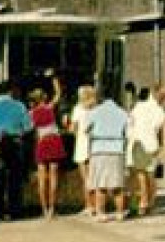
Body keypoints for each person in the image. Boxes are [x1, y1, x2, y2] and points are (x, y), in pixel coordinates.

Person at [0, 80, 32, 221]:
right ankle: (14, 210)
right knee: (15, 178)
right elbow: (28, 127)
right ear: (11, 91)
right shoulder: (19, 106)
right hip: (14, 142)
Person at [85, 85, 131, 221]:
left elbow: (86, 129)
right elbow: (128, 131)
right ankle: (120, 213)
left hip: (99, 149)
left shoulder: (95, 112)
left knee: (101, 184)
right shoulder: (122, 112)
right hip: (117, 150)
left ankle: (101, 214)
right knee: (117, 184)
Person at [128, 85, 165, 217]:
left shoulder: (138, 107)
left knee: (141, 175)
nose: (164, 98)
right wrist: (164, 148)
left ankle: (143, 203)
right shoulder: (159, 111)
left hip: (139, 143)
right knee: (150, 176)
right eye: (164, 95)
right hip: (150, 144)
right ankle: (148, 203)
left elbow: (130, 125)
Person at [30, 87, 67, 219]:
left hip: (42, 142)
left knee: (42, 177)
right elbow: (58, 93)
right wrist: (55, 81)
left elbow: (31, 129)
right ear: (44, 97)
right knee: (54, 177)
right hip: (54, 140)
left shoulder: (32, 113)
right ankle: (52, 208)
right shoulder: (49, 108)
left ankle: (44, 209)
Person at [68, 86, 97, 218]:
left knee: (85, 178)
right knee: (95, 177)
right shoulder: (96, 109)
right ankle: (97, 205)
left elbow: (73, 129)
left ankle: (89, 206)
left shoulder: (78, 109)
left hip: (82, 143)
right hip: (95, 144)